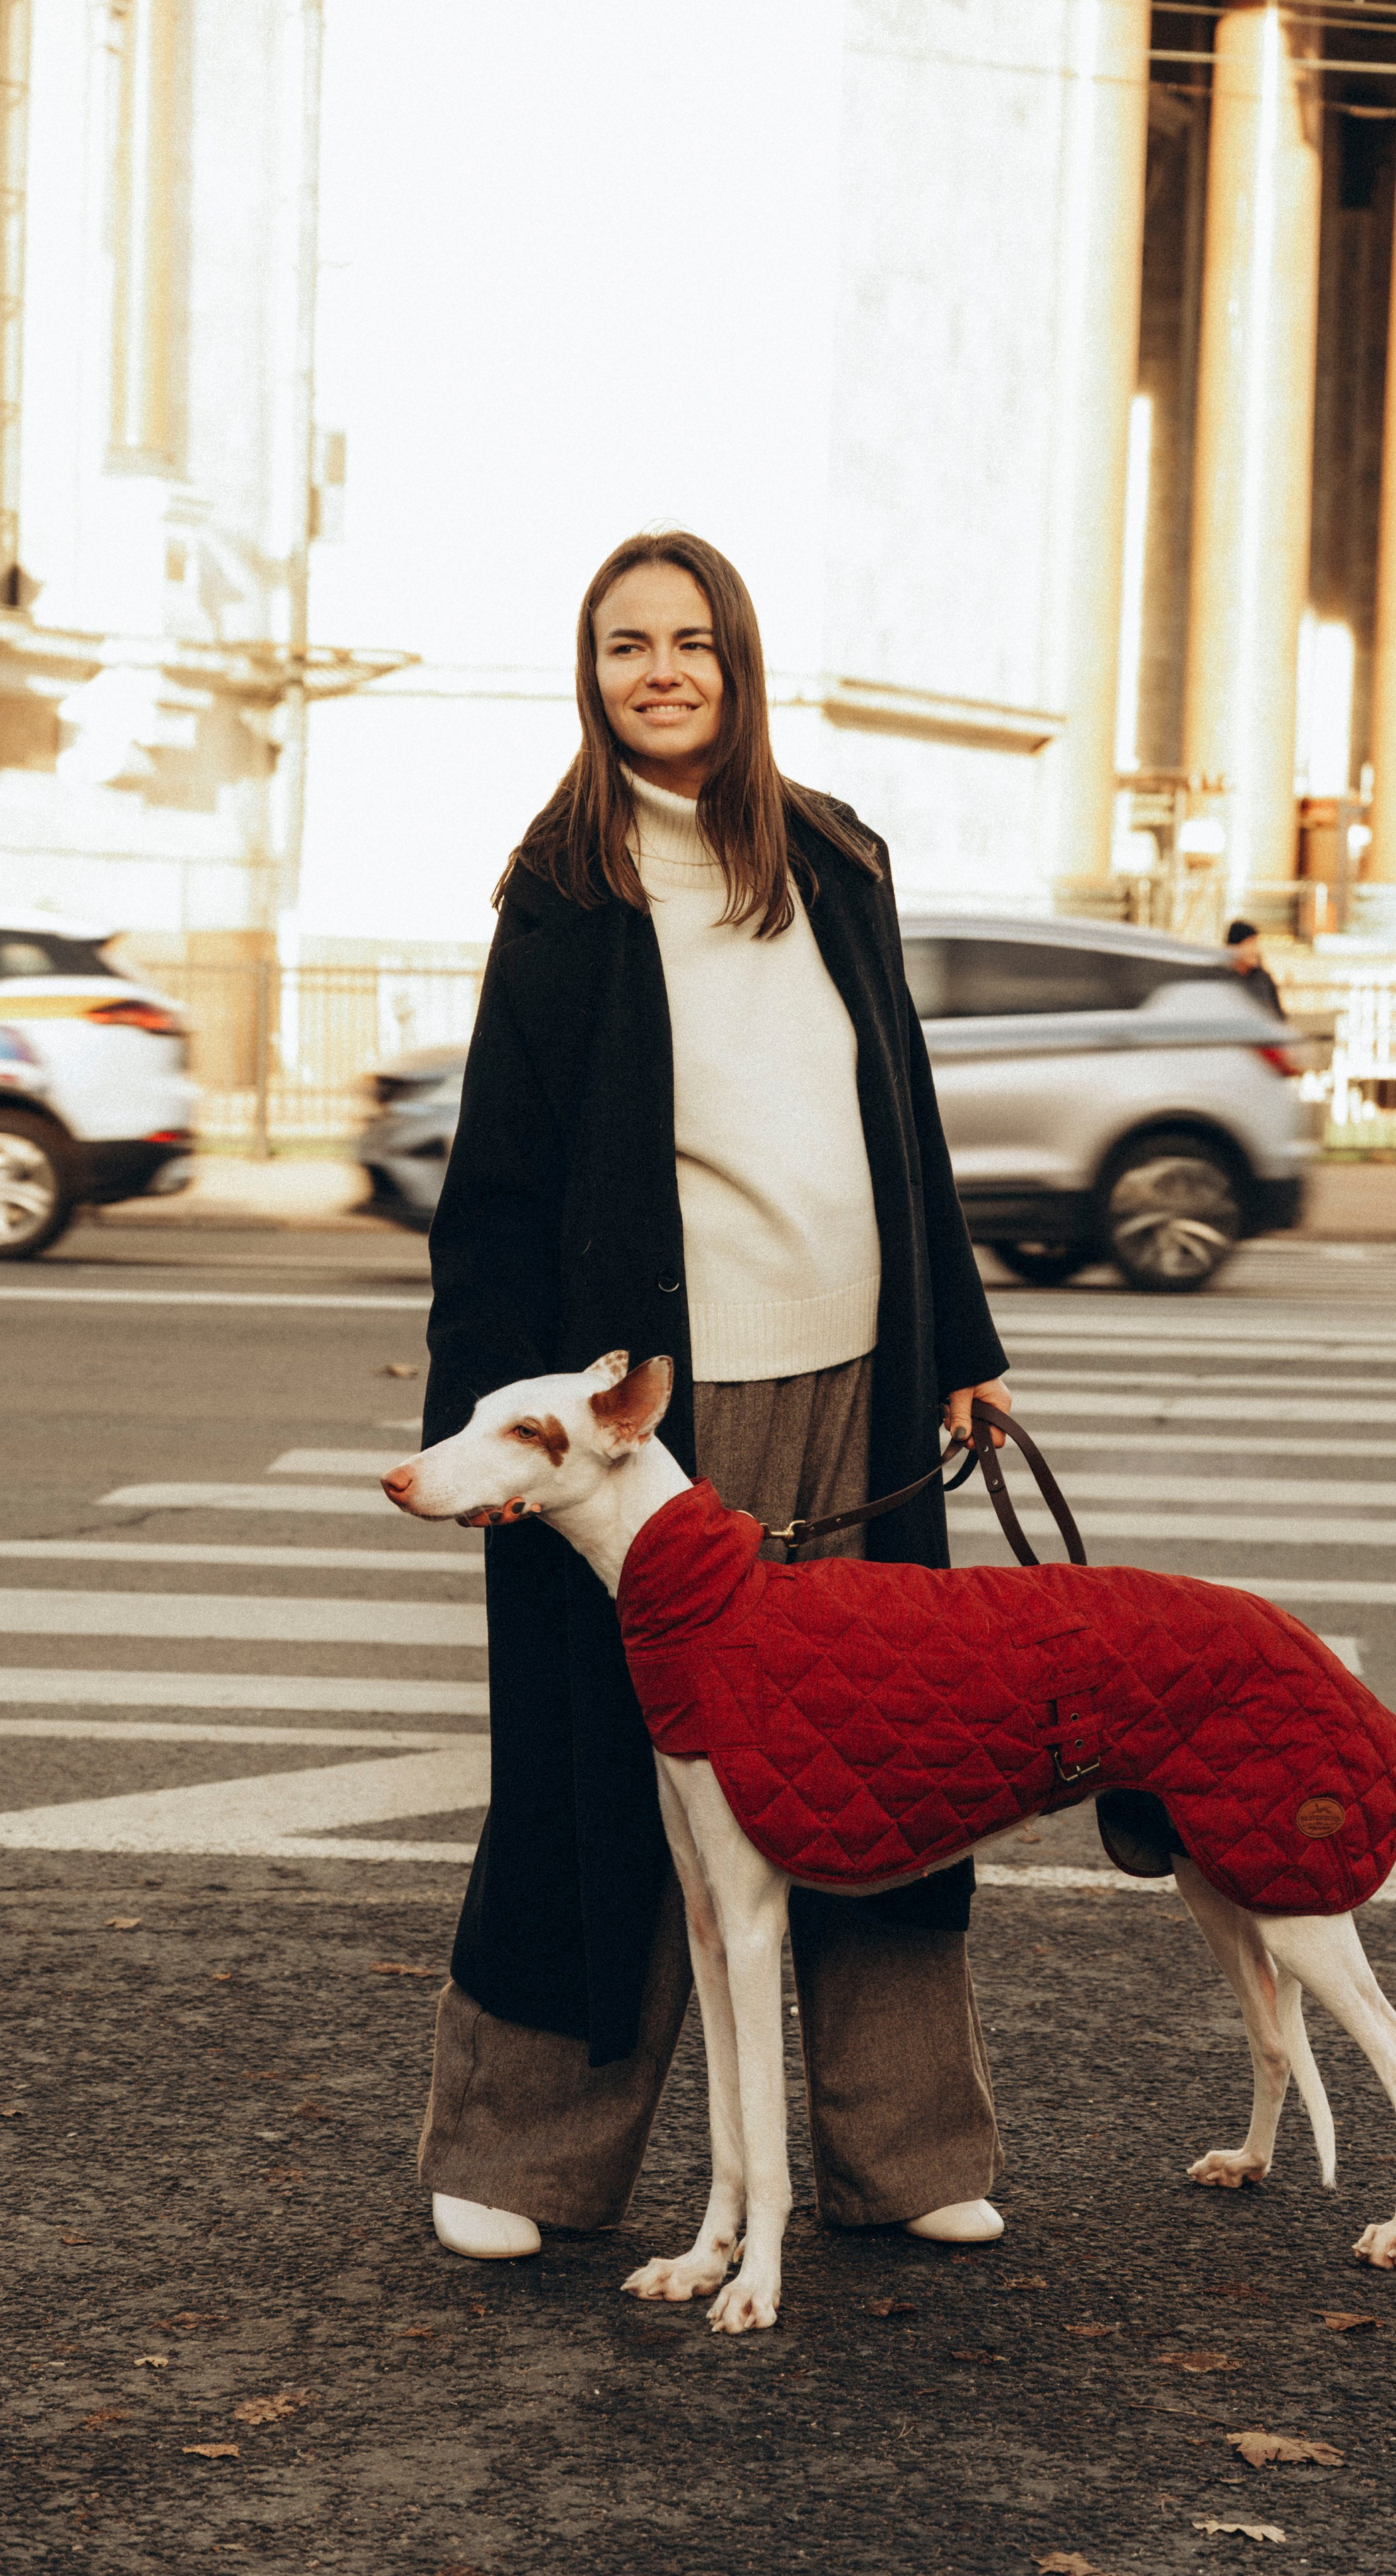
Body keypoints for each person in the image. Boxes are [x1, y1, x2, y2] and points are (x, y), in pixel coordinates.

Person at [417, 530, 1013, 2265]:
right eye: (625, 645)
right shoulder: (564, 887)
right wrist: (489, 1443)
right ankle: (528, 2161)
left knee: (883, 1744)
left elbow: (904, 1118)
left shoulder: (834, 856)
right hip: (643, 1417)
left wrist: (959, 1344)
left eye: (690, 640)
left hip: (853, 1374)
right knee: (601, 1770)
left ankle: (905, 2156)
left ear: (738, 665)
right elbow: (500, 1187)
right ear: (590, 673)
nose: (660, 669)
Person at [1224, 919, 1284, 1018]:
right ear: (1234, 948)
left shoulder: (1263, 979)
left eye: (1255, 944)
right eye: (1250, 944)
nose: (1255, 950)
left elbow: (1278, 1017)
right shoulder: (1222, 980)